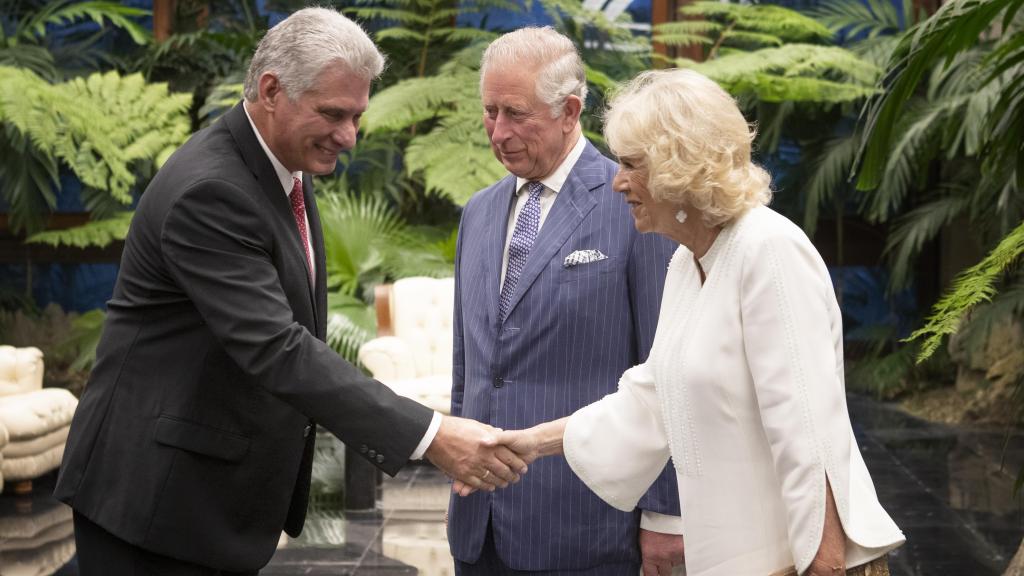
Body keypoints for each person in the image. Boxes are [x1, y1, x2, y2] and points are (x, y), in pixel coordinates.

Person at [54, 8, 525, 576]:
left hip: (200, 502)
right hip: (155, 503)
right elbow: (277, 347)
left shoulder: (281, 167)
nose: (348, 136)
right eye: (332, 114)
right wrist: (430, 434)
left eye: (357, 116)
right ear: (272, 90)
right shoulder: (212, 192)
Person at [495, 69, 906, 576]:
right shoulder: (687, 263)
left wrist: (823, 566)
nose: (618, 181)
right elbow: (651, 399)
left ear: (680, 166)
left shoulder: (767, 250)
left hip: (799, 562)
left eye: (631, 165)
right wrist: (529, 444)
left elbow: (808, 432)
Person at [447, 27, 684, 576]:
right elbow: (471, 366)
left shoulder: (634, 204)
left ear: (570, 111)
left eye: (515, 113)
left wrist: (666, 516)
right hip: (477, 527)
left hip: (588, 527)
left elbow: (667, 370)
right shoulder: (478, 213)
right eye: (489, 112)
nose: (498, 131)